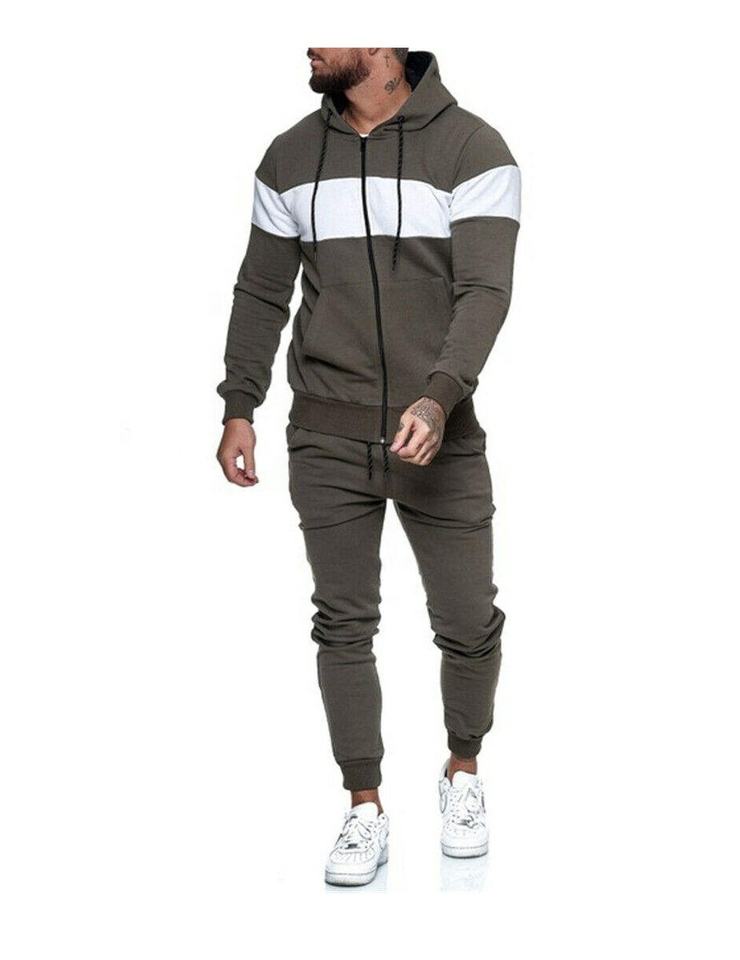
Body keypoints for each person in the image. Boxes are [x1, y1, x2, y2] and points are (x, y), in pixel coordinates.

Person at [216, 48, 520, 886]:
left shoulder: (472, 148)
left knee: (468, 619)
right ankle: (363, 806)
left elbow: (485, 292)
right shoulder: (288, 156)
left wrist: (439, 398)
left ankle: (462, 771)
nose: (309, 46)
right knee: (342, 624)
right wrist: (240, 402)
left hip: (441, 434)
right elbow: (261, 291)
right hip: (324, 433)